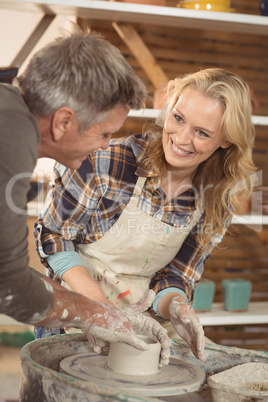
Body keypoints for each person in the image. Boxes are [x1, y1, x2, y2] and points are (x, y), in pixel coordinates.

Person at [34, 68, 256, 361]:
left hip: (144, 318)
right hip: (78, 304)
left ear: (225, 140)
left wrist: (176, 307)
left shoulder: (216, 199)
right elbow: (53, 236)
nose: (181, 138)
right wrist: (100, 309)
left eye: (202, 133)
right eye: (178, 118)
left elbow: (176, 275)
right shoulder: (107, 161)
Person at [0, 31, 171, 362]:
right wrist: (98, 316)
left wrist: (95, 307)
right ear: (64, 121)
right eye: (104, 133)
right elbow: (9, 287)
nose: (108, 145)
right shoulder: (10, 130)